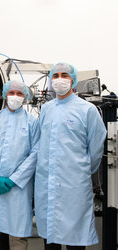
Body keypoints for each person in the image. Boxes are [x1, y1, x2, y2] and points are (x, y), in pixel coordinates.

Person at [34, 62, 107, 250]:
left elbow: (96, 148)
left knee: (75, 239)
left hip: (75, 185)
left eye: (64, 75)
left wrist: (79, 171)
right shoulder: (46, 109)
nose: (59, 79)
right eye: (56, 75)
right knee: (51, 239)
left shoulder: (87, 110)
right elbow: (41, 145)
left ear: (73, 79)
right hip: (47, 184)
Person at [0, 80, 40, 250]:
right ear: (5, 95)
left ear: (25, 97)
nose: (15, 97)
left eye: (19, 94)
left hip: (18, 187)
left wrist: (14, 179)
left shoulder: (32, 122)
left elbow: (35, 154)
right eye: (11, 93)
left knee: (18, 236)